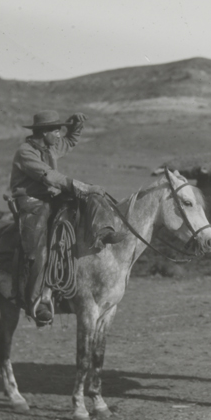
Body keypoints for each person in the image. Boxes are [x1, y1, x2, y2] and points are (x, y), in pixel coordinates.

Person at [7, 110, 125, 326]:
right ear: (43, 133)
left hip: (51, 197)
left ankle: (103, 231)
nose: (58, 134)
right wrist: (81, 186)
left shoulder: (50, 146)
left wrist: (75, 127)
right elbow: (49, 175)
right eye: (55, 130)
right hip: (31, 202)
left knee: (84, 208)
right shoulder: (25, 152)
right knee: (40, 247)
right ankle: (37, 302)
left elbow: (69, 141)